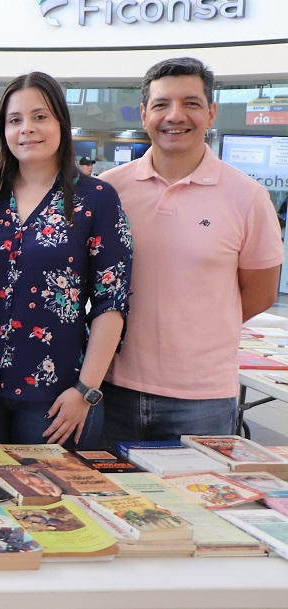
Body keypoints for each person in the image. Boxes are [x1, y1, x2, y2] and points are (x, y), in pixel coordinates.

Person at [100, 57, 282, 442]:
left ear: (211, 113)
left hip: (203, 399)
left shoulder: (247, 196)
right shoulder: (108, 190)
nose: (175, 115)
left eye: (192, 103)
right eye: (162, 104)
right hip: (110, 386)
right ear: (145, 113)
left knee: (197, 499)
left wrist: (198, 327)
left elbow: (261, 293)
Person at [0, 71, 132, 447]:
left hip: (57, 399)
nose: (27, 129)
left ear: (61, 123)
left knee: (48, 505)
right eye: (15, 120)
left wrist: (86, 390)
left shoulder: (96, 198)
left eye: (40, 117)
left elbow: (111, 303)